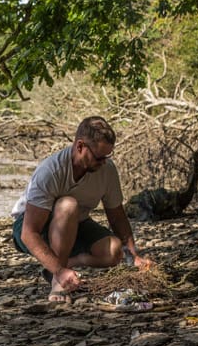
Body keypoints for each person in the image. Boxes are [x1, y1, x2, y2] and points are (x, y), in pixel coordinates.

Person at [11, 116, 151, 303]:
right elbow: (28, 234)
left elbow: (117, 216)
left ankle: (57, 265)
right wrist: (60, 272)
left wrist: (133, 256)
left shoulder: (106, 170)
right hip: (31, 226)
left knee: (114, 251)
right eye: (99, 157)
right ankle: (57, 279)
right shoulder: (50, 171)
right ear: (79, 147)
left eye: (107, 156)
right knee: (68, 204)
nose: (103, 162)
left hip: (75, 223)